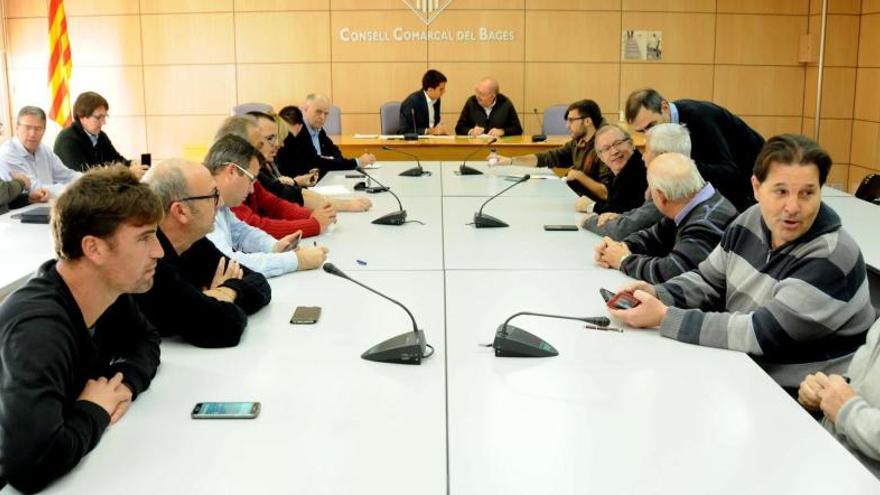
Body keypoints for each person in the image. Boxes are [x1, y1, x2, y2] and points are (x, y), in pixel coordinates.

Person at [609, 134, 874, 392]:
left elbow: (759, 333)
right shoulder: (750, 221)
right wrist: (657, 293)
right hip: (743, 369)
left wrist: (665, 316)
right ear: (757, 188)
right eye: (780, 191)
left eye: (807, 193)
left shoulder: (831, 256)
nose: (793, 207)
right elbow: (708, 279)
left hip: (800, 399)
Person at [0, 165, 162, 492]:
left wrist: (124, 384)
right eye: (145, 238)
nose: (158, 251)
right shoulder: (38, 329)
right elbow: (29, 466)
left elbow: (146, 340)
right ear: (94, 249)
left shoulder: (107, 290)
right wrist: (93, 410)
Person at [138, 158, 272, 348]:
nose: (221, 203)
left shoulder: (193, 243)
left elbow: (258, 282)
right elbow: (224, 327)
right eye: (213, 196)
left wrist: (225, 291)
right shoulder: (151, 263)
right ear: (181, 211)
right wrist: (211, 303)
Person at [593, 152, 737, 284]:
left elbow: (672, 273)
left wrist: (623, 260)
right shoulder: (689, 203)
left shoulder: (705, 222)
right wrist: (623, 247)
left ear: (661, 196)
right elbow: (653, 236)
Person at [204, 135, 329, 277]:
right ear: (232, 171)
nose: (252, 190)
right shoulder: (201, 202)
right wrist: (296, 260)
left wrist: (273, 246)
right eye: (251, 180)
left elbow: (242, 233)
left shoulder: (219, 201)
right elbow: (227, 264)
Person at [625, 88, 764, 212]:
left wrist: (681, 165)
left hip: (754, 178)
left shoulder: (700, 117)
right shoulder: (668, 124)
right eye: (641, 131)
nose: (649, 133)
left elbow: (728, 172)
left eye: (651, 126)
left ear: (664, 107)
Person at [218, 113, 370, 214]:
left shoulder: (257, 170)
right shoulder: (235, 181)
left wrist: (296, 182)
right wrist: (320, 216)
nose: (279, 144)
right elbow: (275, 207)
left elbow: (278, 199)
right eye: (270, 139)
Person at [799, 317, 880, 478]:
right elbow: (864, 384)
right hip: (827, 457)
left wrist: (847, 410)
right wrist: (825, 393)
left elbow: (849, 408)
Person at [492, 99, 611, 208]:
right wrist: (511, 160)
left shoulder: (608, 146)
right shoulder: (578, 142)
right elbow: (548, 157)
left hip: (597, 211)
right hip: (578, 202)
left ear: (587, 121)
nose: (567, 126)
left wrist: (579, 176)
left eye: (571, 120)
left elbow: (606, 193)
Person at [581, 123, 686, 240]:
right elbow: (639, 215)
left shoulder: (667, 187)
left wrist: (589, 221)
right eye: (606, 148)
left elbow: (623, 230)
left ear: (662, 156)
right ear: (600, 155)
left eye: (646, 150)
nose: (643, 157)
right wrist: (621, 217)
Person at [275, 94, 375, 178]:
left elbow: (335, 152)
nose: (322, 117)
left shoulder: (318, 129)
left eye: (326, 113)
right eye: (318, 112)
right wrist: (356, 162)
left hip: (321, 178)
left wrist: (330, 160)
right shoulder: (295, 132)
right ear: (305, 109)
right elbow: (315, 162)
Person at [53, 91, 148, 178]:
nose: (104, 122)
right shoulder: (67, 140)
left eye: (105, 117)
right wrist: (128, 173)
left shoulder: (100, 136)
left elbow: (116, 160)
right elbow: (84, 179)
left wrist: (133, 164)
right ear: (82, 116)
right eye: (98, 117)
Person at [0, 106, 81, 197]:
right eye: (27, 127)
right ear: (17, 128)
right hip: (22, 209)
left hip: (47, 206)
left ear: (44, 131)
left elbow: (67, 175)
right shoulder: (7, 153)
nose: (32, 134)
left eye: (38, 129)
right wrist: (74, 189)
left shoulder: (44, 149)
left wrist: (90, 181)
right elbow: (34, 189)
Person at [590, 124, 647, 214]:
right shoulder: (615, 173)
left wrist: (591, 206)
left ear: (631, 144)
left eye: (618, 143)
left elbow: (618, 212)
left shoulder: (641, 170)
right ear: (601, 157)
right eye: (607, 148)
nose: (614, 151)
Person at [454, 77, 522, 137]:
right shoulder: (471, 102)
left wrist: (502, 132)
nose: (477, 96)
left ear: (492, 96)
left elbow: (518, 129)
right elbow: (459, 128)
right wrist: (471, 131)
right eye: (477, 92)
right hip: (476, 146)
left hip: (499, 146)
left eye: (481, 94)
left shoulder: (505, 104)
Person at [399, 69, 449, 135]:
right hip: (417, 143)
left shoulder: (436, 100)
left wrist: (440, 129)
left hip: (433, 141)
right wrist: (428, 131)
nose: (444, 92)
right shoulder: (411, 102)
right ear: (430, 90)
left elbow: (435, 125)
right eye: (441, 89)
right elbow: (404, 131)